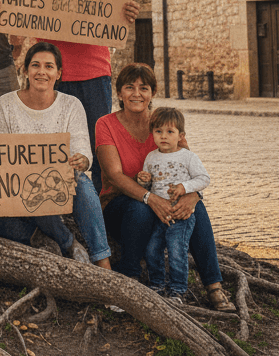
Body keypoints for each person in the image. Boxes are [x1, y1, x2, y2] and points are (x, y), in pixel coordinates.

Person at [95, 63, 235, 311]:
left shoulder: (165, 122)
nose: (136, 93)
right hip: (120, 206)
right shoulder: (106, 124)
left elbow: (189, 163)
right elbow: (114, 175)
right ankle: (130, 279)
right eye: (129, 87)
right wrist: (150, 198)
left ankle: (214, 286)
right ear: (119, 93)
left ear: (152, 93)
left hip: (165, 202)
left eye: (143, 88)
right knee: (141, 209)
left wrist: (193, 195)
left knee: (196, 210)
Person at [32, 0, 139, 195]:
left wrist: (126, 13)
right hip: (53, 78)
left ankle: (102, 209)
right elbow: (25, 28)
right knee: (56, 146)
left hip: (94, 75)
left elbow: (114, 15)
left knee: (98, 146)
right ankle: (62, 206)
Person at [0, 43, 113, 271]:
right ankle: (68, 242)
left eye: (49, 66)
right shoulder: (5, 104)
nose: (42, 72)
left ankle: (102, 260)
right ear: (25, 70)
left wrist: (81, 160)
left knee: (83, 184)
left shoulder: (71, 105)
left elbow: (83, 149)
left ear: (59, 73)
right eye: (35, 65)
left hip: (59, 182)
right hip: (17, 187)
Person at [137, 106, 211, 304]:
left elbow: (204, 179)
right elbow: (149, 185)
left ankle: (178, 290)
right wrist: (143, 180)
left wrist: (184, 187)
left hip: (181, 215)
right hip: (160, 215)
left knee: (177, 249)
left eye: (170, 132)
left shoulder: (187, 156)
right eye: (158, 131)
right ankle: (158, 285)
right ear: (152, 133)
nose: (164, 136)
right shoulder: (151, 157)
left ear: (180, 135)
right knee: (152, 249)